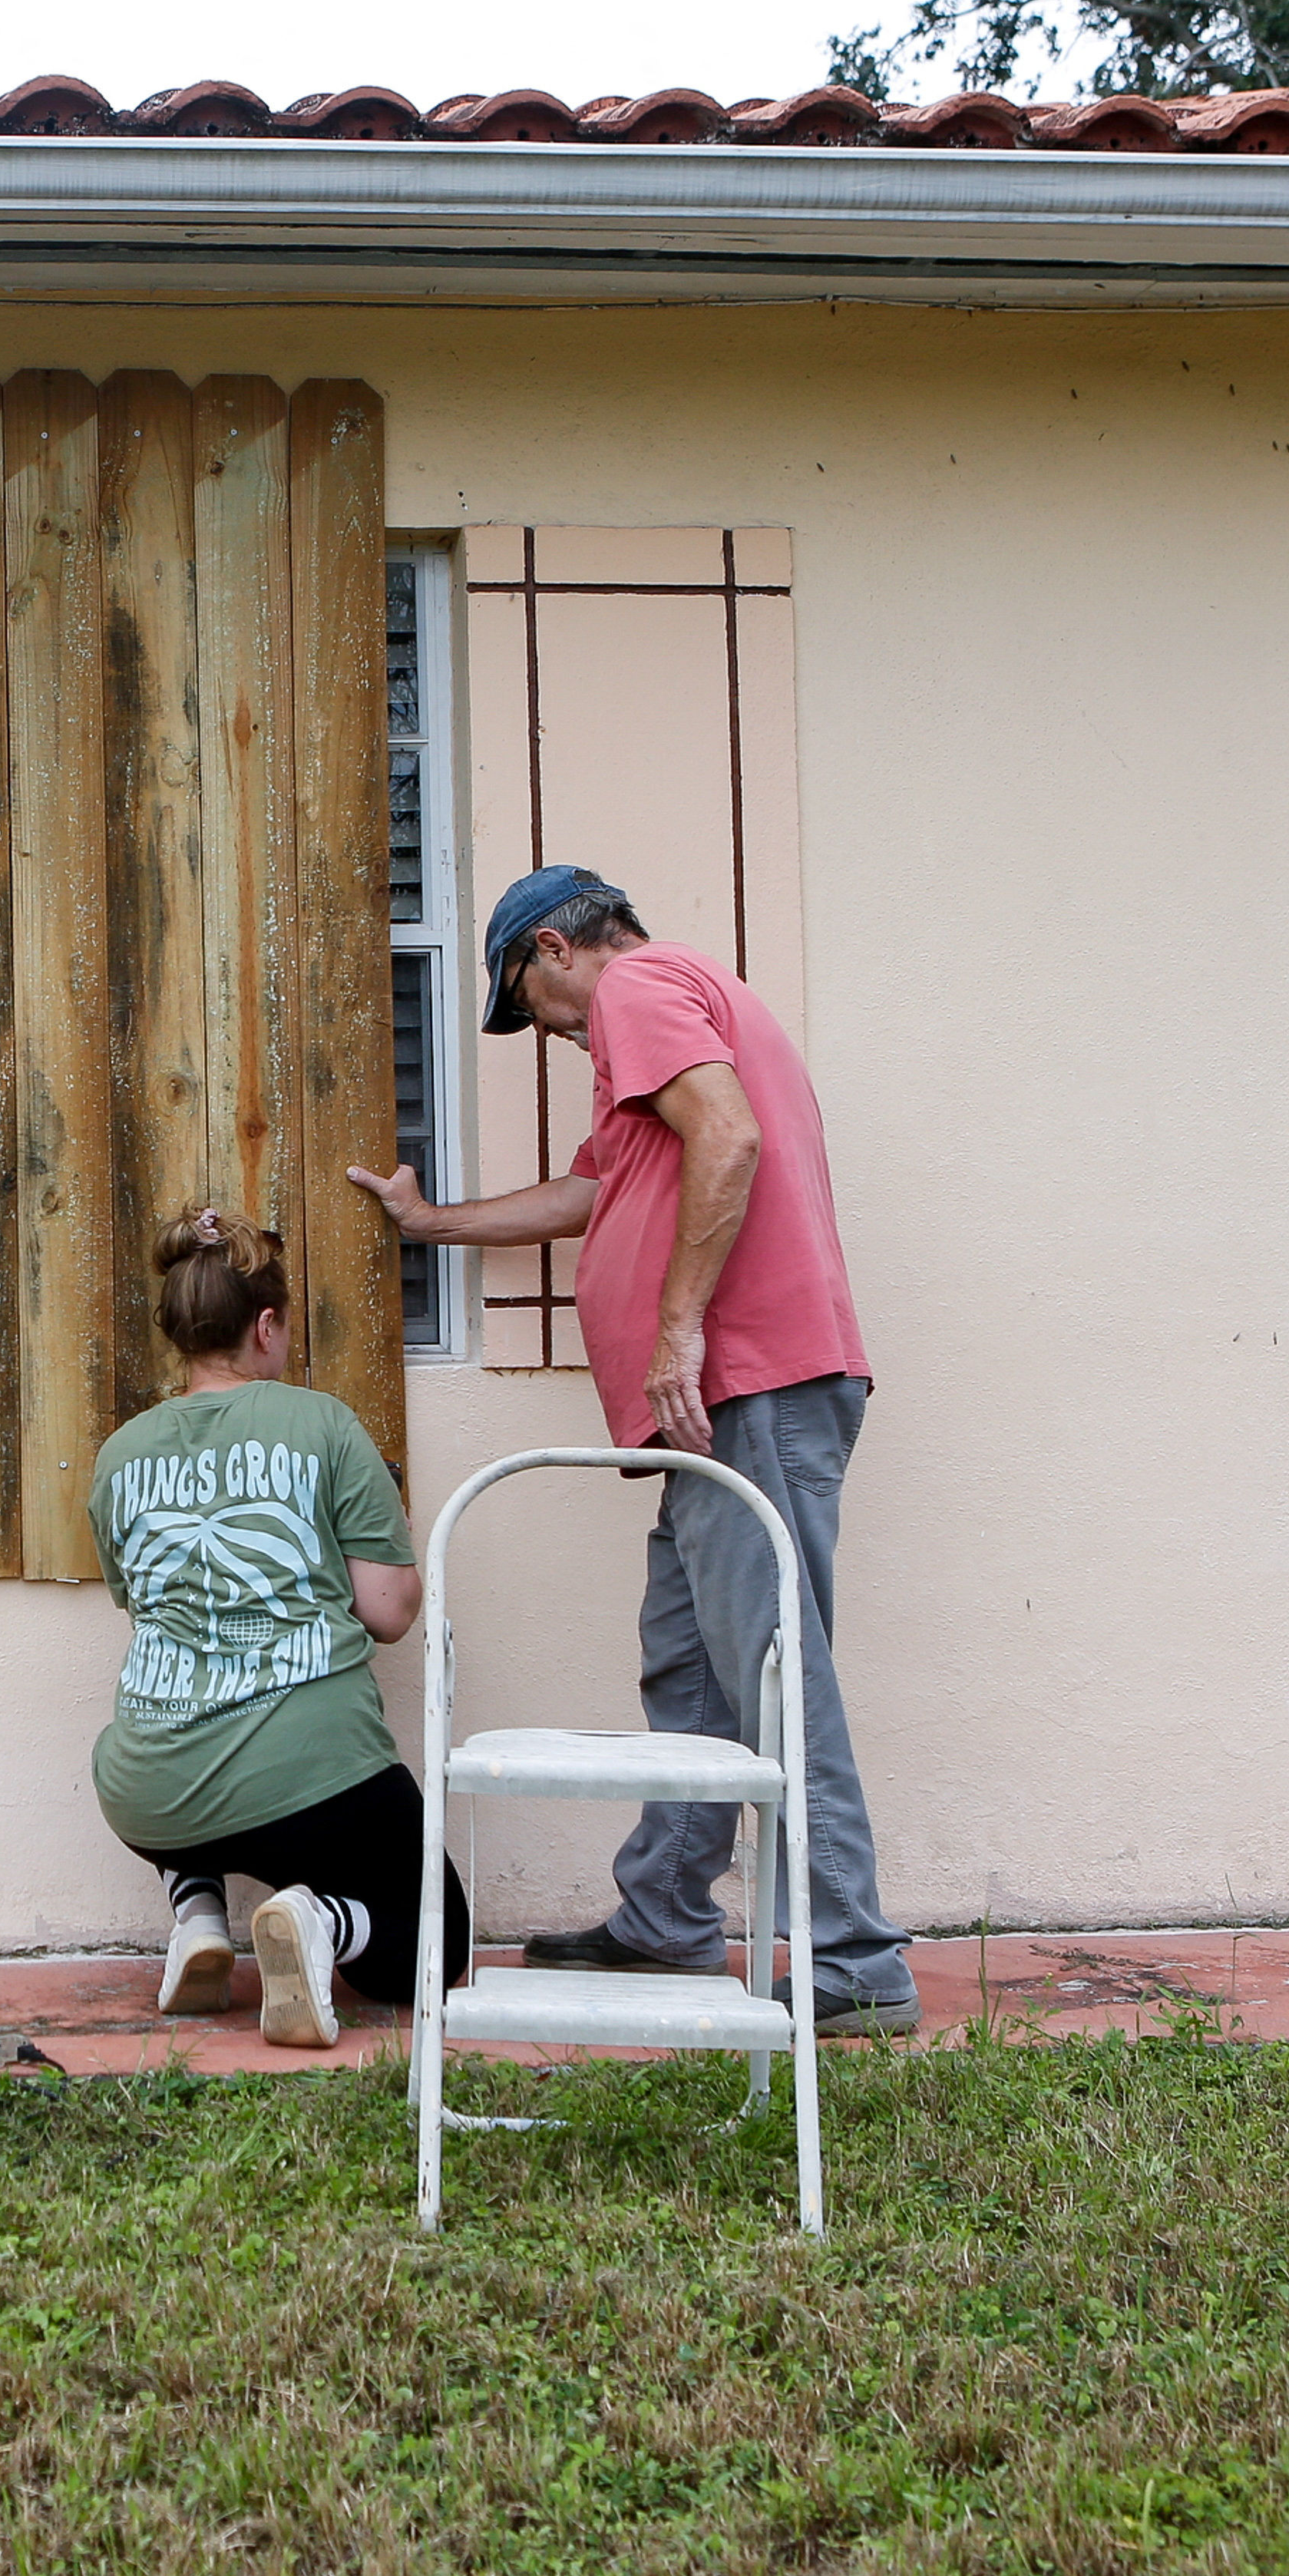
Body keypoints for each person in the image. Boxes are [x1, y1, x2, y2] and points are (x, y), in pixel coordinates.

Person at [347, 866, 917, 2035]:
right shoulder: (665, 1023)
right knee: (691, 1661)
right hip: (731, 1401)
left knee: (772, 1668)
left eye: (529, 1000)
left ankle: (856, 1958)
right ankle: (664, 1909)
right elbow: (589, 1193)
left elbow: (730, 1137)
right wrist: (431, 1224)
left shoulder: (642, 986)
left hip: (745, 1385)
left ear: (556, 948)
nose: (545, 1030)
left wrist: (677, 1334)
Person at [85, 1206, 471, 2049]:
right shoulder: (323, 1424)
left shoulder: (118, 1455)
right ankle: (320, 1923)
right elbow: (390, 1613)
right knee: (436, 1937)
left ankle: (197, 1915)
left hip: (147, 1786)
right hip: (311, 1776)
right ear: (265, 1325)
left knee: (175, 1749)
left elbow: (145, 1601)